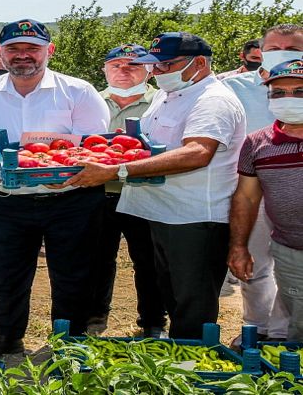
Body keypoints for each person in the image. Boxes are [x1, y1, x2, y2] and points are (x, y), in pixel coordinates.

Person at [65, 32, 247, 340]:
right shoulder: (171, 94)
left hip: (193, 218)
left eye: (166, 65)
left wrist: (115, 169)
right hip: (162, 212)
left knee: (193, 301)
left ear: (199, 63)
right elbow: (148, 145)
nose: (158, 72)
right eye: (155, 66)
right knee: (172, 294)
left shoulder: (212, 100)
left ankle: (191, 365)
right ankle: (174, 358)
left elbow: (197, 153)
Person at [0, 19, 110, 359]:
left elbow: (93, 142)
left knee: (73, 273)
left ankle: (69, 341)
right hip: (8, 199)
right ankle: (7, 338)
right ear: (1, 53)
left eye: (32, 48)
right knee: (7, 273)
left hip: (70, 198)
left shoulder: (78, 91)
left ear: (49, 51)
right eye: (14, 49)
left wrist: (64, 166)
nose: (23, 55)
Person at [226, 24, 303, 342]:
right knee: (256, 265)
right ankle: (257, 329)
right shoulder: (231, 87)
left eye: (293, 49)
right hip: (253, 184)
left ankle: (284, 333)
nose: (282, 54)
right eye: (274, 49)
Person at [86, 44, 166, 338]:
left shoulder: (162, 101)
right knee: (96, 257)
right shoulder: (89, 100)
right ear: (104, 70)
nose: (124, 70)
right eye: (116, 65)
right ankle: (95, 314)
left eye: (133, 65)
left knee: (147, 259)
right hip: (97, 190)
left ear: (148, 70)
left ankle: (153, 320)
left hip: (143, 190)